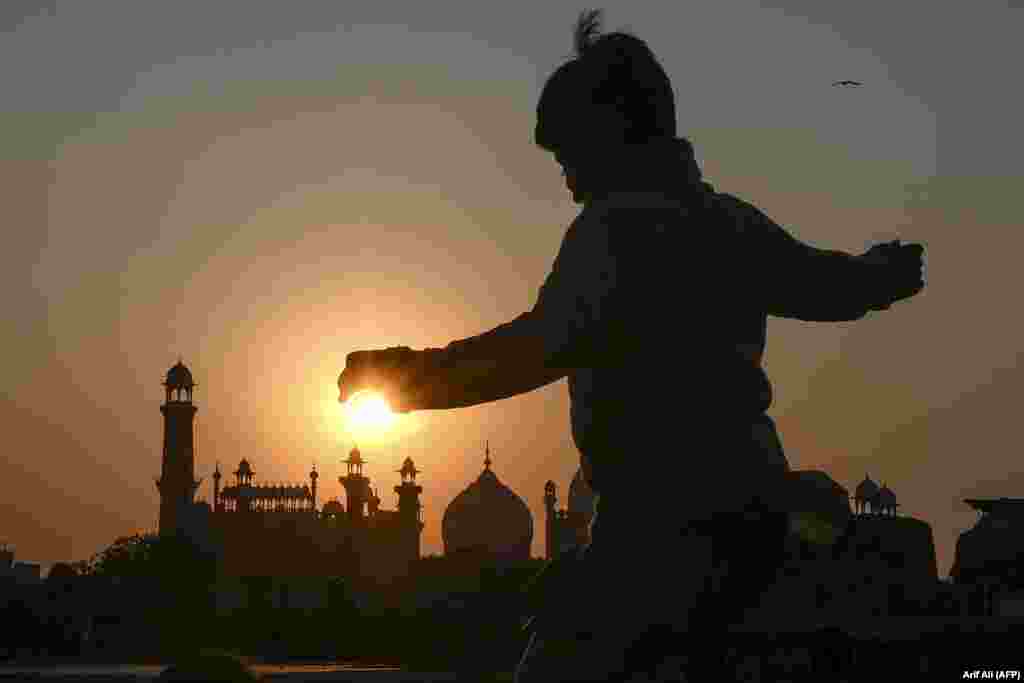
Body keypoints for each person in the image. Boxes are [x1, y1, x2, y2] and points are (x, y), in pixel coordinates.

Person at [337, 9, 925, 681]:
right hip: (753, 507)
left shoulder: (612, 232)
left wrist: (401, 377)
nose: (566, 176)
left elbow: (528, 351)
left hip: (661, 516)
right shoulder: (729, 221)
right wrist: (882, 273)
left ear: (610, 131)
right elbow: (824, 284)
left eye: (568, 153)